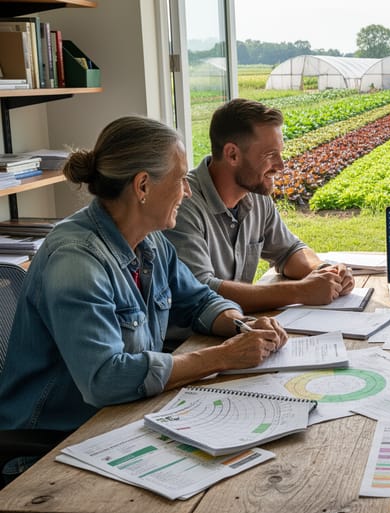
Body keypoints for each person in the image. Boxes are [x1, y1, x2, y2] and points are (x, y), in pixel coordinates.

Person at [0, 116, 288, 478]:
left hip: (121, 422)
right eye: (180, 179)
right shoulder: (75, 260)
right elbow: (105, 378)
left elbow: (199, 300)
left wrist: (242, 326)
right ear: (142, 186)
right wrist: (223, 357)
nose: (187, 191)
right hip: (53, 448)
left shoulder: (150, 241)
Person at [163, 98, 353, 316]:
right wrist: (300, 291)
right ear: (232, 154)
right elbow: (202, 292)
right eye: (270, 155)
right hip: (192, 341)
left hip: (237, 328)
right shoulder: (183, 205)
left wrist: (323, 272)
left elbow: (289, 250)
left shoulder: (255, 194)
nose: (281, 165)